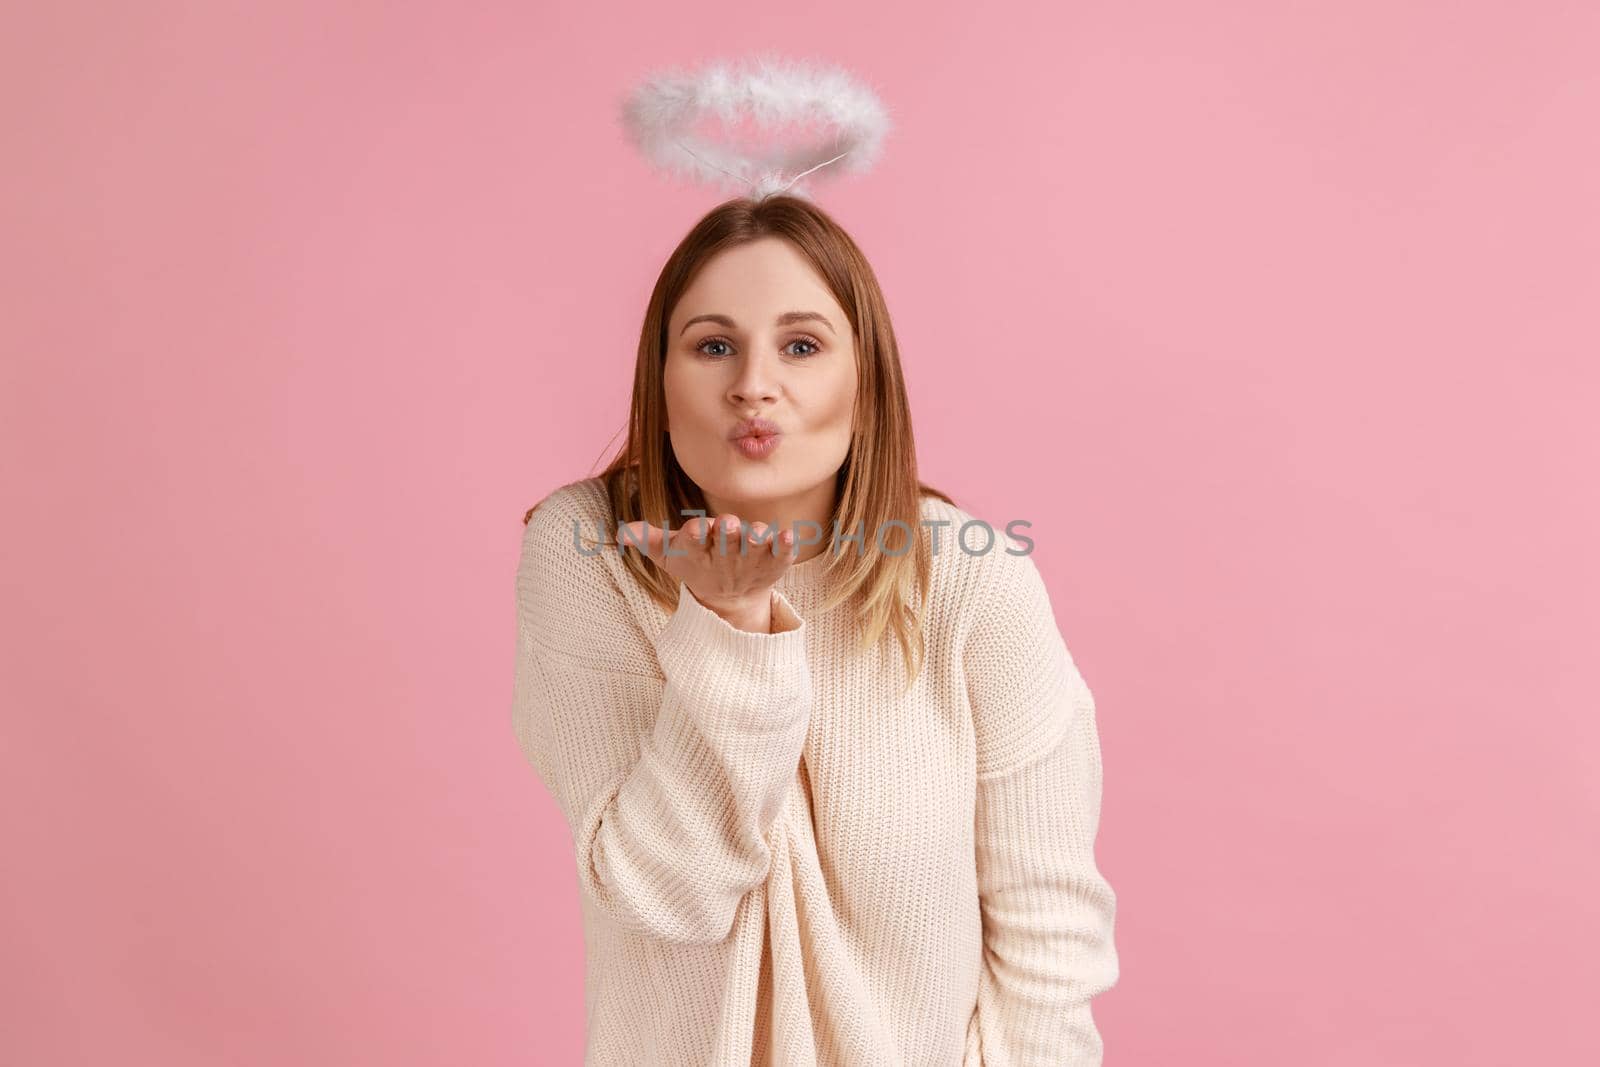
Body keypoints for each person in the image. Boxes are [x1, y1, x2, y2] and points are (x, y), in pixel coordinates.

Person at [512, 194, 1119, 1065]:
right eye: (713, 344)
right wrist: (730, 629)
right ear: (661, 379)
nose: (753, 383)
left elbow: (1049, 942)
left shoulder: (971, 576)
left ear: (866, 383)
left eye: (801, 345)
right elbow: (665, 896)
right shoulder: (588, 556)